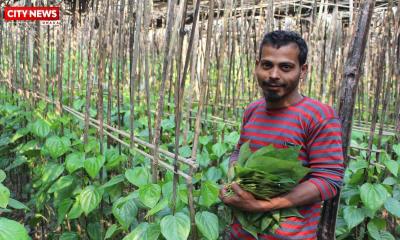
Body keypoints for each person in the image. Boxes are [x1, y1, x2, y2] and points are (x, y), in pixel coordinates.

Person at [219, 30, 344, 240]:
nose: (274, 74)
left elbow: (329, 179)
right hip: (240, 232)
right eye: (267, 65)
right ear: (257, 65)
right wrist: (234, 181)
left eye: (285, 67)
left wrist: (262, 205)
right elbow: (238, 151)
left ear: (302, 70)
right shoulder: (252, 110)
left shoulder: (319, 116)